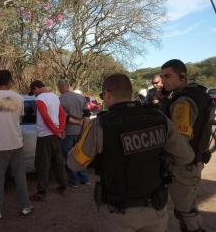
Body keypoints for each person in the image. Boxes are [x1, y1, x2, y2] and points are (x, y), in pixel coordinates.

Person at [68, 73, 195, 232]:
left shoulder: (100, 124)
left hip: (118, 212)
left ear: (107, 94)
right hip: (155, 208)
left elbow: (74, 164)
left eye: (102, 95)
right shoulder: (158, 117)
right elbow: (186, 156)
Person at [160, 59, 213, 232]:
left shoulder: (183, 101)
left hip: (183, 166)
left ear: (182, 76)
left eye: (168, 76)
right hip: (193, 162)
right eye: (162, 77)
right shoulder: (198, 94)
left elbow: (179, 140)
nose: (164, 81)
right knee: (185, 209)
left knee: (186, 213)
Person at [0, 70, 33, 220]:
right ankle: (26, 206)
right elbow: (20, 119)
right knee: (20, 177)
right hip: (16, 143)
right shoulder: (19, 98)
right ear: (10, 81)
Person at [29, 80, 67, 201]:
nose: (34, 94)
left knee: (42, 164)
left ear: (36, 88)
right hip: (55, 136)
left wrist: (57, 130)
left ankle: (41, 192)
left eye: (33, 91)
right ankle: (63, 184)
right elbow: (63, 114)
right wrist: (60, 129)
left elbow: (45, 117)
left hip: (45, 136)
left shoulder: (40, 99)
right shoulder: (55, 97)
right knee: (58, 161)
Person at [57, 79, 90, 187]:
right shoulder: (81, 98)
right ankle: (85, 179)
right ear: (69, 85)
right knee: (80, 155)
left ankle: (74, 181)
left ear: (60, 87)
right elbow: (87, 115)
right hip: (80, 132)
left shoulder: (60, 100)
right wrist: (83, 130)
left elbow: (66, 118)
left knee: (68, 157)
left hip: (68, 133)